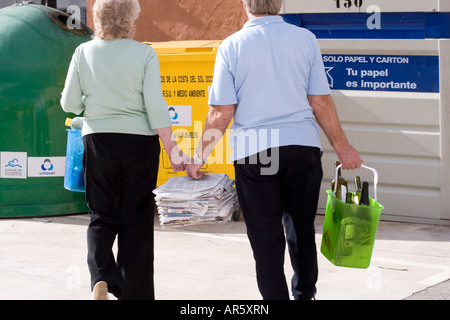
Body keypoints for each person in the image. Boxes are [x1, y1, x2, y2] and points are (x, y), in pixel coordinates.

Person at [186, 0, 362, 300]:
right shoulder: (305, 39)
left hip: (256, 152)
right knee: (301, 227)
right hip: (301, 148)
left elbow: (221, 111)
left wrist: (199, 156)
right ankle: (305, 294)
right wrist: (343, 148)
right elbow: (320, 101)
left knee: (265, 236)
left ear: (245, 4)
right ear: (279, 4)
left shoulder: (231, 46)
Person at [61, 0, 188, 300]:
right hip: (139, 144)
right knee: (137, 221)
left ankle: (101, 277)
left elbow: (68, 104)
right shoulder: (145, 53)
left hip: (98, 140)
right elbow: (156, 106)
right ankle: (138, 295)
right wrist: (173, 149)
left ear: (98, 17)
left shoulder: (83, 52)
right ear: (130, 18)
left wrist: (91, 103)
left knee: (101, 216)